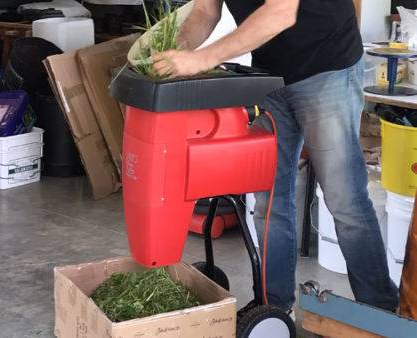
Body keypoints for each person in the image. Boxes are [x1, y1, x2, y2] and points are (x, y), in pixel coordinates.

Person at [153, 0, 399, 312]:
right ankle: (272, 309)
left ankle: (381, 311)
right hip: (269, 75)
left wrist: (202, 59)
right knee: (269, 202)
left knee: (344, 200)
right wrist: (176, 51)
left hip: (326, 62)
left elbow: (280, 12)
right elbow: (204, 9)